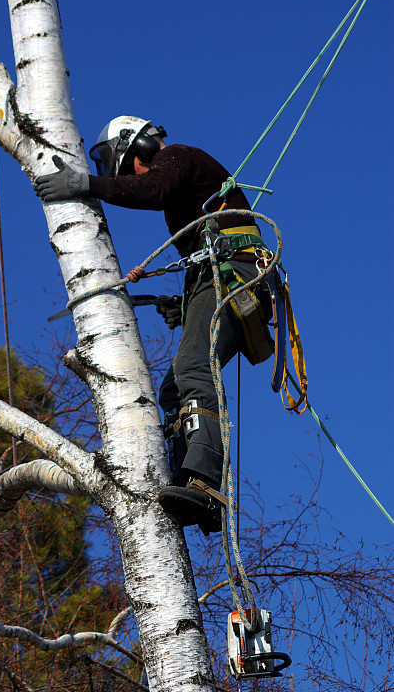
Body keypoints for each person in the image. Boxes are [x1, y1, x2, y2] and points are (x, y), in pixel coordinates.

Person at [34, 116, 272, 535]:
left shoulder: (178, 157)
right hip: (220, 276)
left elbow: (154, 188)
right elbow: (195, 244)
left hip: (234, 272)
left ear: (142, 146)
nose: (134, 177)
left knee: (193, 370)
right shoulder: (182, 195)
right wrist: (184, 303)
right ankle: (190, 482)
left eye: (130, 167)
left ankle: (202, 480)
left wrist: (86, 185)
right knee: (173, 388)